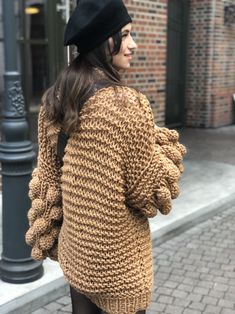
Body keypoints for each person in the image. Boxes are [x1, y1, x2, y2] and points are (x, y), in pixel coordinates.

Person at [25, 0, 186, 313]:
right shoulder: (128, 106)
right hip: (120, 264)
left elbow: (48, 183)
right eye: (124, 35)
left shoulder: (54, 100)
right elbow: (149, 195)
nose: (133, 44)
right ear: (103, 41)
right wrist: (164, 150)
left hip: (78, 254)